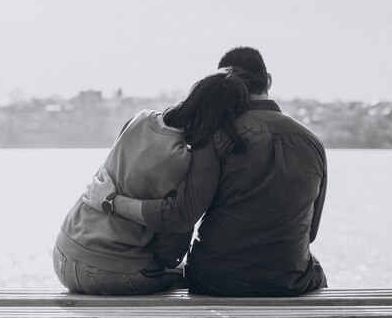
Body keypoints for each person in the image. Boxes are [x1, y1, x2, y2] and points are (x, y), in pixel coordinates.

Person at [84, 46, 328, 296]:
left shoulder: (218, 135)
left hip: (215, 279)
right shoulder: (313, 143)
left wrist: (111, 201)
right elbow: (310, 233)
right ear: (268, 81)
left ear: (227, 87)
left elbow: (180, 215)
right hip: (288, 281)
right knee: (316, 271)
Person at [53, 68, 249, 295]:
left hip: (63, 254)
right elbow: (171, 241)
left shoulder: (141, 118)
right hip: (109, 271)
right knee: (193, 276)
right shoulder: (185, 159)